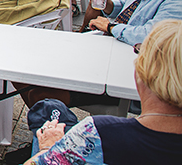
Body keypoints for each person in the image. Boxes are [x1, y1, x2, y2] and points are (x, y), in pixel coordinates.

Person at [25, 19, 182, 165]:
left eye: (139, 52)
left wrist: (48, 149)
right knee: (51, 108)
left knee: (49, 115)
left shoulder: (99, 133)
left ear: (144, 71)